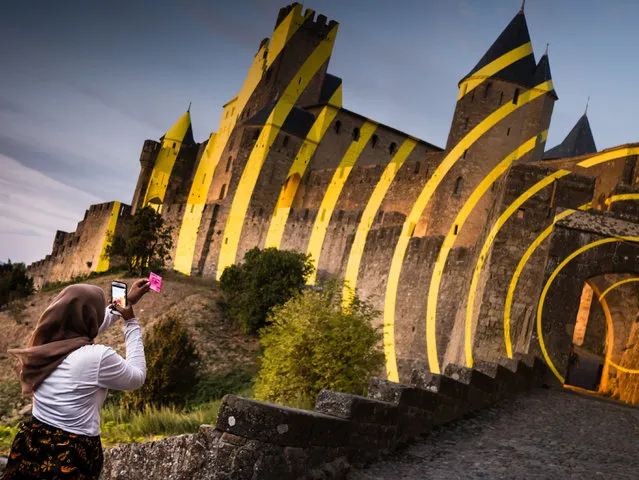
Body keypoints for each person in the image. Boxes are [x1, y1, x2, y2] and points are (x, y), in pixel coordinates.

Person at [1, 279, 150, 480]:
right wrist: (131, 323)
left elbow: (87, 324)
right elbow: (136, 378)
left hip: (32, 444)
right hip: (70, 456)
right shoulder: (96, 357)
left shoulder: (45, 342)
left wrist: (123, 302)